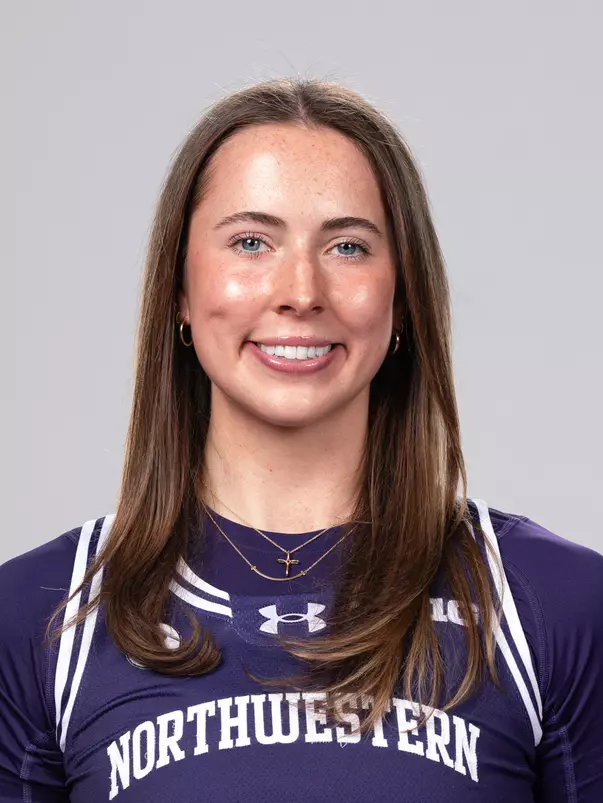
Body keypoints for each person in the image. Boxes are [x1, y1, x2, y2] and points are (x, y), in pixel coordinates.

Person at [0, 77, 601, 803]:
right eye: (250, 242)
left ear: (402, 295)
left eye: (347, 246)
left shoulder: (555, 606)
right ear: (181, 293)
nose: (300, 290)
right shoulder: (37, 618)